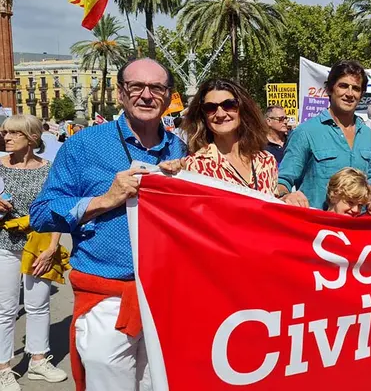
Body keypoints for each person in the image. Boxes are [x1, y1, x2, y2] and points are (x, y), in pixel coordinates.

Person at [29, 58, 187, 391]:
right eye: (136, 87)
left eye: (156, 87)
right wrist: (105, 199)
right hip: (107, 301)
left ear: (168, 95)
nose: (146, 95)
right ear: (120, 94)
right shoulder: (83, 146)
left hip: (167, 300)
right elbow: (41, 213)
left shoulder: (181, 149)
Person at [0, 115, 67, 390]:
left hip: (39, 246)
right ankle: (3, 367)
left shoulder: (48, 169)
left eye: (14, 133)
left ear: (32, 138)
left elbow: (56, 211)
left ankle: (38, 360)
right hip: (4, 245)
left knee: (38, 306)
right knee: (4, 310)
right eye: (5, 132)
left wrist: (52, 247)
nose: (6, 137)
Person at [277, 60, 371, 210]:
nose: (349, 93)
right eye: (343, 86)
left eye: (356, 88)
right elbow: (282, 181)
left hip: (358, 228)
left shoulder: (366, 134)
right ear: (330, 89)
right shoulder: (306, 132)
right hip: (319, 228)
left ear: (361, 94)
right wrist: (286, 196)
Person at [160, 79, 278, 195]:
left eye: (229, 105)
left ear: (242, 108)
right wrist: (163, 175)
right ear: (203, 116)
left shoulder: (267, 161)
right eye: (210, 108)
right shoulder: (193, 167)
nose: (220, 114)